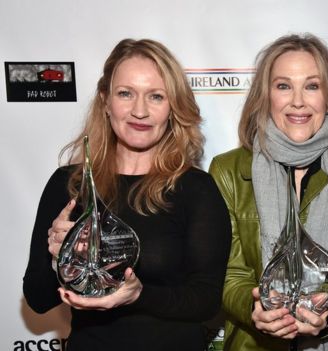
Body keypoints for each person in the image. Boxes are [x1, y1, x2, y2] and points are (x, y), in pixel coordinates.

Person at [23, 38, 232, 351]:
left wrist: (138, 294)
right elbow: (37, 300)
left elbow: (206, 302)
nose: (140, 110)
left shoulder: (196, 189)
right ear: (106, 101)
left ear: (173, 107)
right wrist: (60, 261)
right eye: (126, 93)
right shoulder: (69, 184)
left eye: (156, 96)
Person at [208, 33, 328, 351]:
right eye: (284, 86)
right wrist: (254, 309)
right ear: (265, 94)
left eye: (312, 86)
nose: (297, 101)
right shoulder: (228, 169)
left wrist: (327, 314)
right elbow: (229, 272)